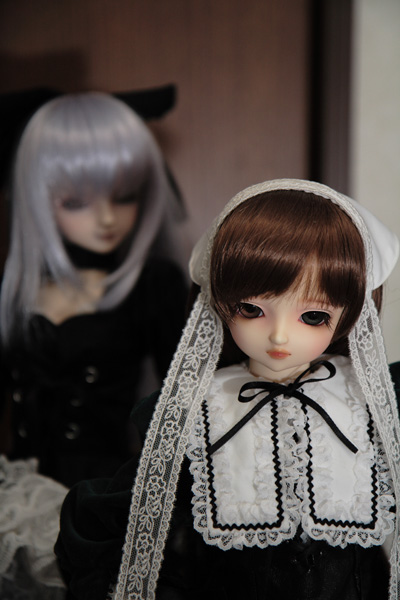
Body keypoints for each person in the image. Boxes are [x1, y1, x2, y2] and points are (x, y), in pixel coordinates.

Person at [55, 179, 400, 600]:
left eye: (313, 316)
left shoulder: (372, 403)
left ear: (349, 317)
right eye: (251, 310)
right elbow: (117, 518)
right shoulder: (200, 410)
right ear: (219, 304)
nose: (279, 336)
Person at [0, 92, 188, 488]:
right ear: (36, 199)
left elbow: (183, 402)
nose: (106, 218)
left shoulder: (152, 286)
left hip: (101, 492)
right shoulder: (13, 291)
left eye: (125, 197)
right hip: (17, 489)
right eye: (76, 202)